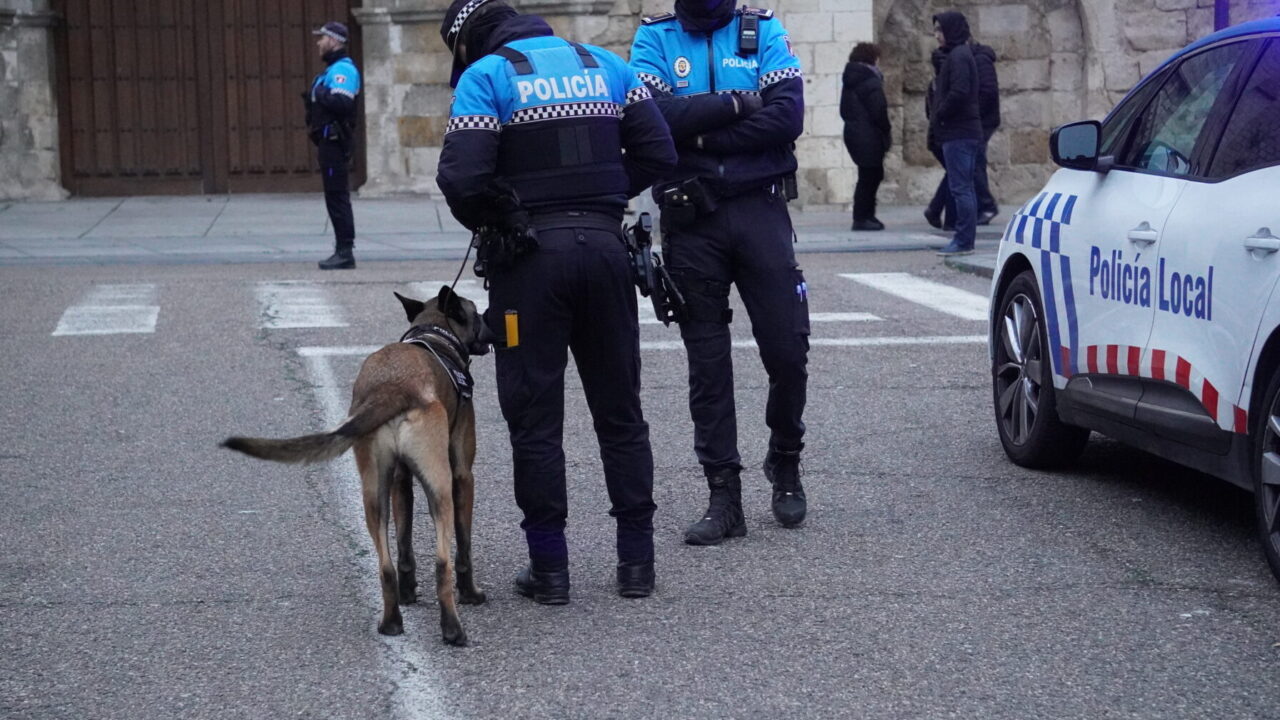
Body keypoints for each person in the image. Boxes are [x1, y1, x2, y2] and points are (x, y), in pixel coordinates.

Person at [435, 0, 677, 603]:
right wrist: (599, 195)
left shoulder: (486, 77)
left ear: (467, 42)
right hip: (604, 254)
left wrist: (504, 214)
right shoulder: (607, 65)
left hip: (529, 267)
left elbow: (462, 179)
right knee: (620, 412)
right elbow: (659, 153)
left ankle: (550, 571)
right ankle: (636, 565)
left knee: (535, 419)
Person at [629, 0, 810, 546]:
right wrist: (738, 105)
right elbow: (651, 120)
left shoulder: (764, 29)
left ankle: (785, 457)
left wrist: (699, 135)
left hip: (761, 208)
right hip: (692, 218)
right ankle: (723, 494)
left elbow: (788, 116)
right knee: (707, 364)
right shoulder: (654, 39)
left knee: (787, 349)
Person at [925, 32, 1000, 231]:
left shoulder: (974, 59)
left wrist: (952, 112)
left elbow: (982, 92)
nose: (938, 37)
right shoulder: (955, 59)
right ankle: (948, 215)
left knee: (967, 171)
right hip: (958, 125)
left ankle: (982, 208)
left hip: (972, 124)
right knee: (960, 173)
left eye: (942, 32)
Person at [306, 21, 361, 270]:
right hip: (328, 144)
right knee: (334, 196)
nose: (319, 43)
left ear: (334, 41)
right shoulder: (330, 71)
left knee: (338, 197)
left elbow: (343, 103)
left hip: (336, 144)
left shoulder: (343, 70)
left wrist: (320, 95)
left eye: (323, 38)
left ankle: (344, 251)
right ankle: (342, 248)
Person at [929, 11, 982, 257]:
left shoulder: (959, 56)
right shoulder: (958, 54)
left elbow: (959, 92)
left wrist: (940, 112)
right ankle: (963, 239)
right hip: (960, 131)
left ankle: (963, 240)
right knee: (963, 187)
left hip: (959, 131)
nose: (937, 36)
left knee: (961, 188)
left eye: (940, 30)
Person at [840, 42, 891, 231]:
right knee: (870, 176)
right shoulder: (870, 80)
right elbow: (879, 111)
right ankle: (862, 217)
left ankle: (866, 216)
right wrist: (886, 131)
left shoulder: (852, 79)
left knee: (869, 175)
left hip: (855, 133)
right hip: (869, 135)